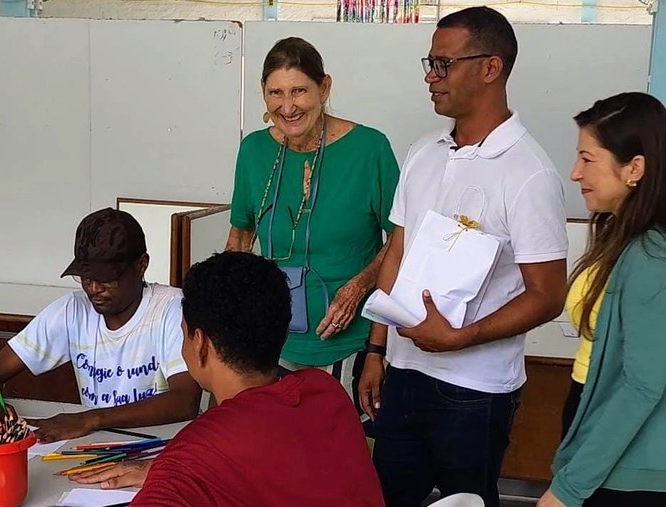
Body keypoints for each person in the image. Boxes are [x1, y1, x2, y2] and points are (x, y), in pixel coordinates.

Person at [358, 7, 568, 507]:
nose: (431, 77)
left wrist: (461, 338)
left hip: (475, 389)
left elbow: (547, 296)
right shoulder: (423, 151)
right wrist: (377, 348)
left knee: (467, 501)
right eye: (429, 63)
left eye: (444, 64)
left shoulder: (529, 174)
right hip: (404, 373)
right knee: (387, 496)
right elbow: (398, 250)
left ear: (490, 68)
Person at [71, 251, 385, 506]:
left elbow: (228, 454)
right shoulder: (325, 392)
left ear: (200, 343)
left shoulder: (194, 456)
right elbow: (273, 460)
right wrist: (169, 470)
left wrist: (174, 474)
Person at [226, 37, 399, 400]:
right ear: (263, 93)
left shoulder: (369, 149)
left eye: (299, 91)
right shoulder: (253, 151)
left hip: (352, 344)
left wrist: (358, 287)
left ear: (324, 87)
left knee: (341, 452)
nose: (287, 107)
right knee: (278, 453)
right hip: (270, 344)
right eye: (276, 93)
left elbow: (401, 239)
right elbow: (240, 237)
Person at [0, 208, 202, 442]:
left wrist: (91, 419)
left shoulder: (171, 309)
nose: (93, 288)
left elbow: (184, 401)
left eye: (106, 278)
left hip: (162, 446)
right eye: (85, 277)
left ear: (141, 265)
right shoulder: (73, 310)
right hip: (94, 443)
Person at [536, 93, 666, 507]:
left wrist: (568, 489)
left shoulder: (650, 255)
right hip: (597, 425)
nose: (575, 173)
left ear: (635, 169)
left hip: (629, 463)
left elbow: (643, 384)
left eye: (587, 159)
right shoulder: (618, 234)